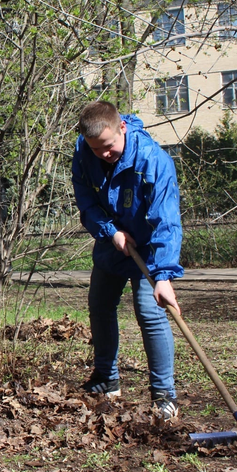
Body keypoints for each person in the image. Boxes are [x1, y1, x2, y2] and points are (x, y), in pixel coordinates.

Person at [71, 100, 183, 420]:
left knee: (150, 312)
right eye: (96, 149)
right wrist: (111, 232)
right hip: (113, 241)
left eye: (108, 147)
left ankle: (164, 395)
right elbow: (87, 202)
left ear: (122, 128)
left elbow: (166, 221)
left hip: (148, 246)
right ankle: (107, 379)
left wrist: (162, 276)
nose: (103, 154)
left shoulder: (153, 161)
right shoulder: (84, 151)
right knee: (100, 304)